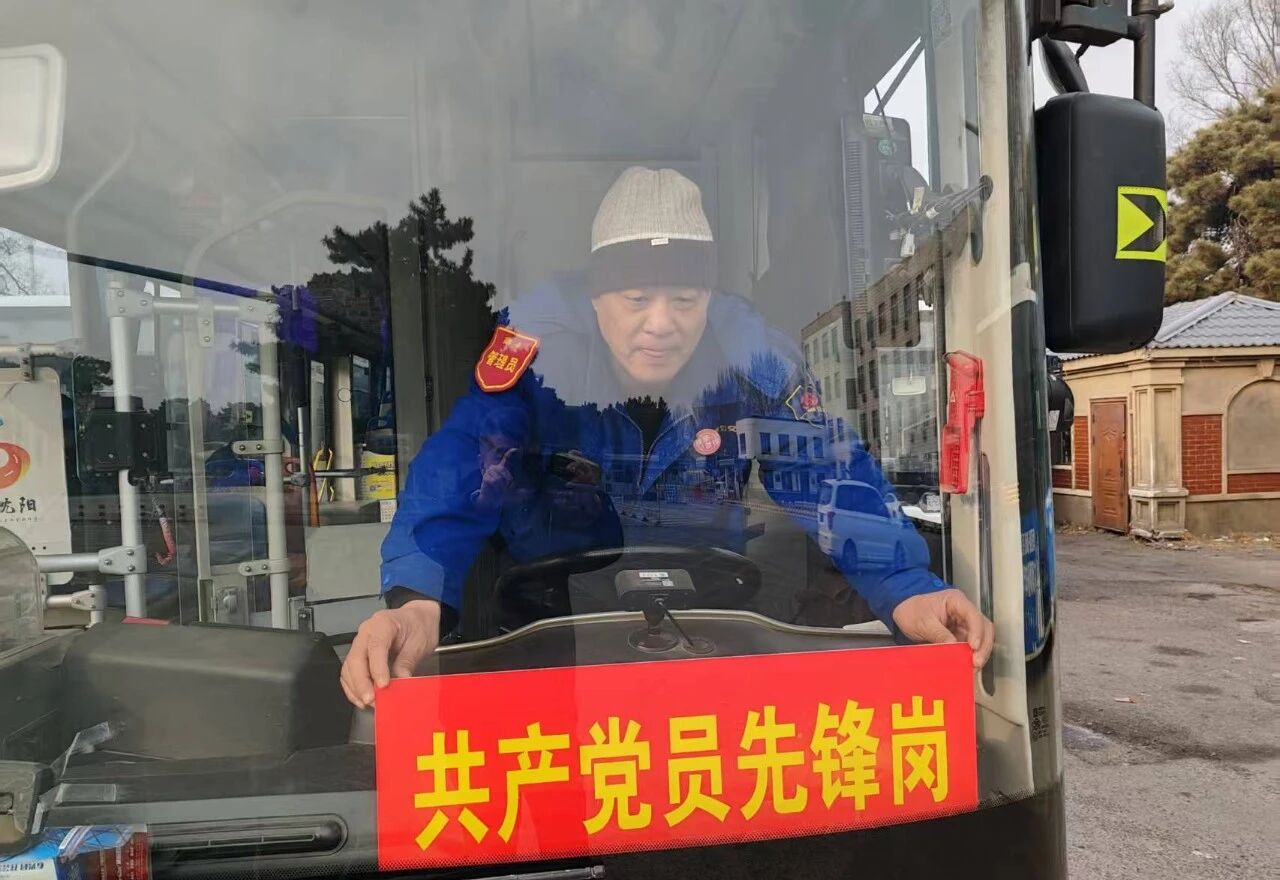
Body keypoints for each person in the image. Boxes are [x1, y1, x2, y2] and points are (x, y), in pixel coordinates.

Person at [340, 167, 994, 708]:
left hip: (706, 636)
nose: (661, 324)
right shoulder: (536, 359)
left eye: (684, 300)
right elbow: (465, 468)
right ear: (596, 298)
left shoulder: (753, 361)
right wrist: (416, 604)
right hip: (553, 638)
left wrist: (907, 586)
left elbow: (827, 473)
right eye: (635, 299)